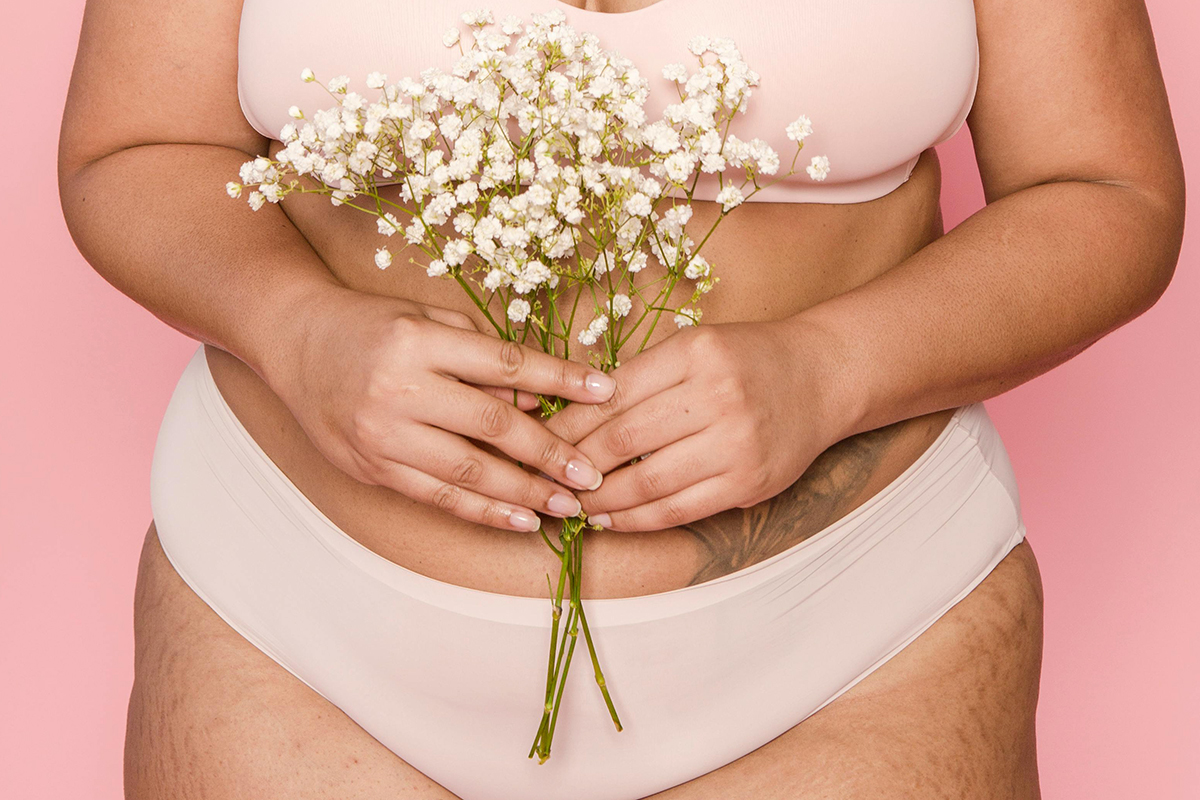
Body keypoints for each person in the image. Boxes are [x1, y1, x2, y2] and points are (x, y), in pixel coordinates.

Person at [58, 0, 1184, 797]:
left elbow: (1107, 188)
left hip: (855, 647)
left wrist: (829, 367)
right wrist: (297, 331)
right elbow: (135, 143)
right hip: (296, 639)